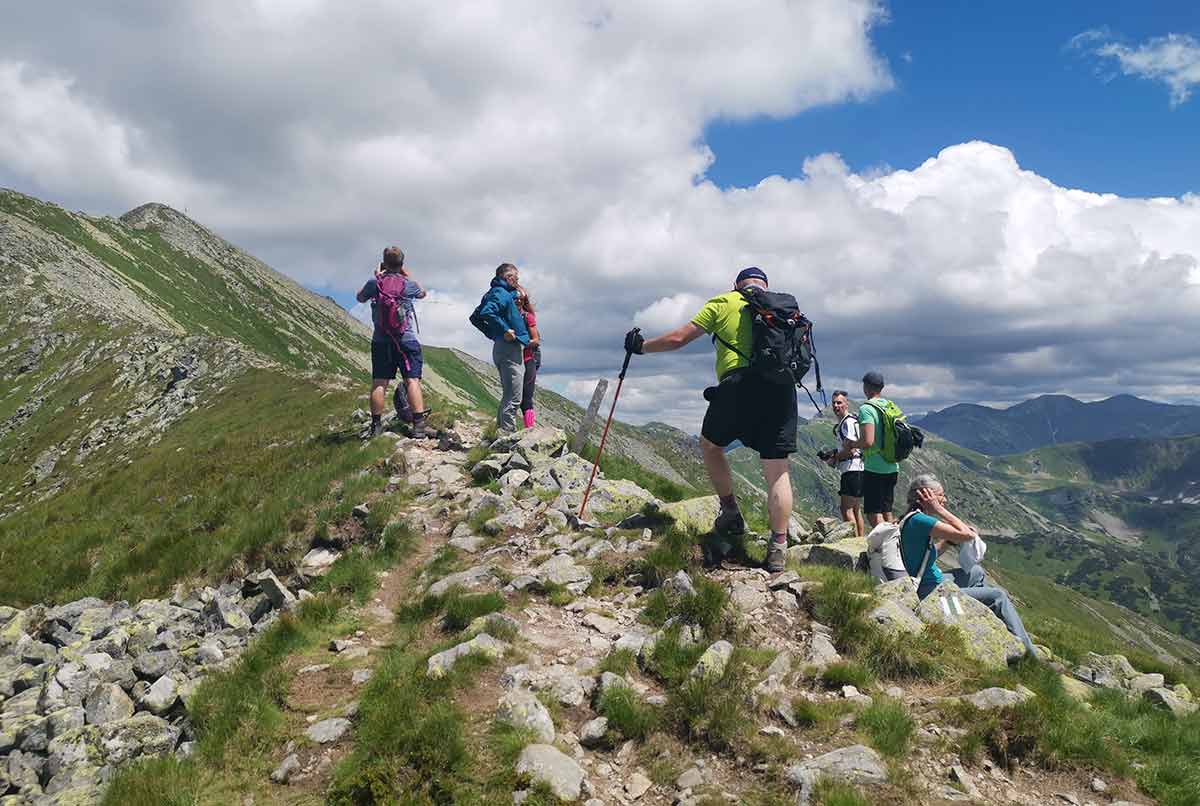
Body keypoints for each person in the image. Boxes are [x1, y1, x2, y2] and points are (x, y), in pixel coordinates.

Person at [623, 267, 797, 572]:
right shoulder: (784, 309)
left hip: (738, 386)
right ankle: (778, 547)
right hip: (781, 390)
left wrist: (641, 347)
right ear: (765, 286)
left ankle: (730, 512)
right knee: (777, 469)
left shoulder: (724, 302)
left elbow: (678, 339)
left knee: (710, 445)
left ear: (736, 284)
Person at [900, 473, 1037, 657]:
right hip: (932, 594)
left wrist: (948, 542)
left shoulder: (912, 518)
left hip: (931, 582)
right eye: (940, 495)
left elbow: (926, 557)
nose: (945, 499)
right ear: (927, 497)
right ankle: (1029, 654)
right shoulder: (920, 521)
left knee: (976, 572)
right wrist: (939, 510)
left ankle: (981, 622)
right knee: (998, 596)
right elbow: (967, 534)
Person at [356, 246, 429, 439]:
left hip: (381, 340)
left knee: (380, 382)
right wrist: (407, 276)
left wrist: (377, 277)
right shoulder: (407, 284)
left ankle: (376, 426)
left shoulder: (375, 283)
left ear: (384, 262)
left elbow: (359, 297)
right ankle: (419, 426)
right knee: (412, 380)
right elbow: (423, 293)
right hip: (406, 339)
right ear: (402, 264)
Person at [476, 263, 530, 432]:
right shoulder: (500, 293)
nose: (518, 280)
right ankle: (507, 436)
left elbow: (475, 317)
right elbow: (486, 312)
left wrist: (494, 333)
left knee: (509, 394)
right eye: (516, 277)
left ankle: (500, 433)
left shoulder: (497, 293)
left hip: (503, 347)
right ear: (508, 277)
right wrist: (504, 330)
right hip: (509, 349)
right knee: (514, 396)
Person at [842, 371, 899, 526]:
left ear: (866, 387)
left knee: (874, 513)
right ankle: (895, 545)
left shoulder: (867, 409)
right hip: (893, 465)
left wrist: (851, 444)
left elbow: (868, 441)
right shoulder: (889, 405)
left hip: (875, 467)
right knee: (887, 510)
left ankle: (884, 547)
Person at [826, 390, 864, 537]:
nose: (836, 406)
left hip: (851, 469)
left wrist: (834, 458)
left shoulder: (847, 423)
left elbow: (851, 449)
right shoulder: (852, 420)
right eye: (834, 403)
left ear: (846, 404)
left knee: (846, 509)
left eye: (839, 402)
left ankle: (854, 544)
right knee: (856, 509)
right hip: (860, 468)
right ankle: (860, 543)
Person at [516, 286, 541, 429]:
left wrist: (519, 343)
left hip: (528, 359)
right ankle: (527, 429)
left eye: (520, 300)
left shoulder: (527, 317)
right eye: (515, 299)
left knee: (526, 398)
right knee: (515, 397)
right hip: (518, 360)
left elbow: (535, 340)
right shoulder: (510, 317)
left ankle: (529, 430)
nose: (518, 302)